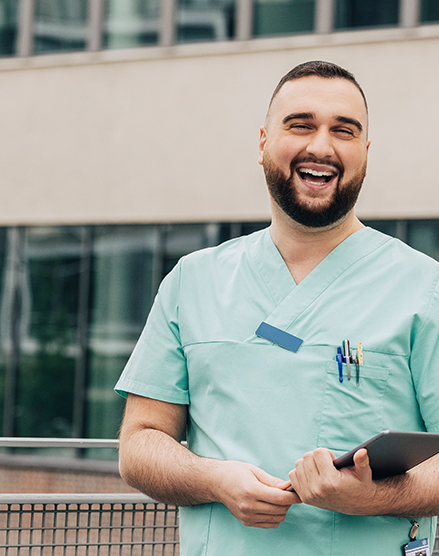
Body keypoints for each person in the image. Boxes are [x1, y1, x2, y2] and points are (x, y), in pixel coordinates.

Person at [115, 61, 439, 555]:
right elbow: (140, 443)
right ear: (264, 141)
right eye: (301, 124)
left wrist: (374, 497)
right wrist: (214, 479)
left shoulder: (424, 287)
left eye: (344, 131)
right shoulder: (193, 281)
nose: (322, 146)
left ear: (365, 154)